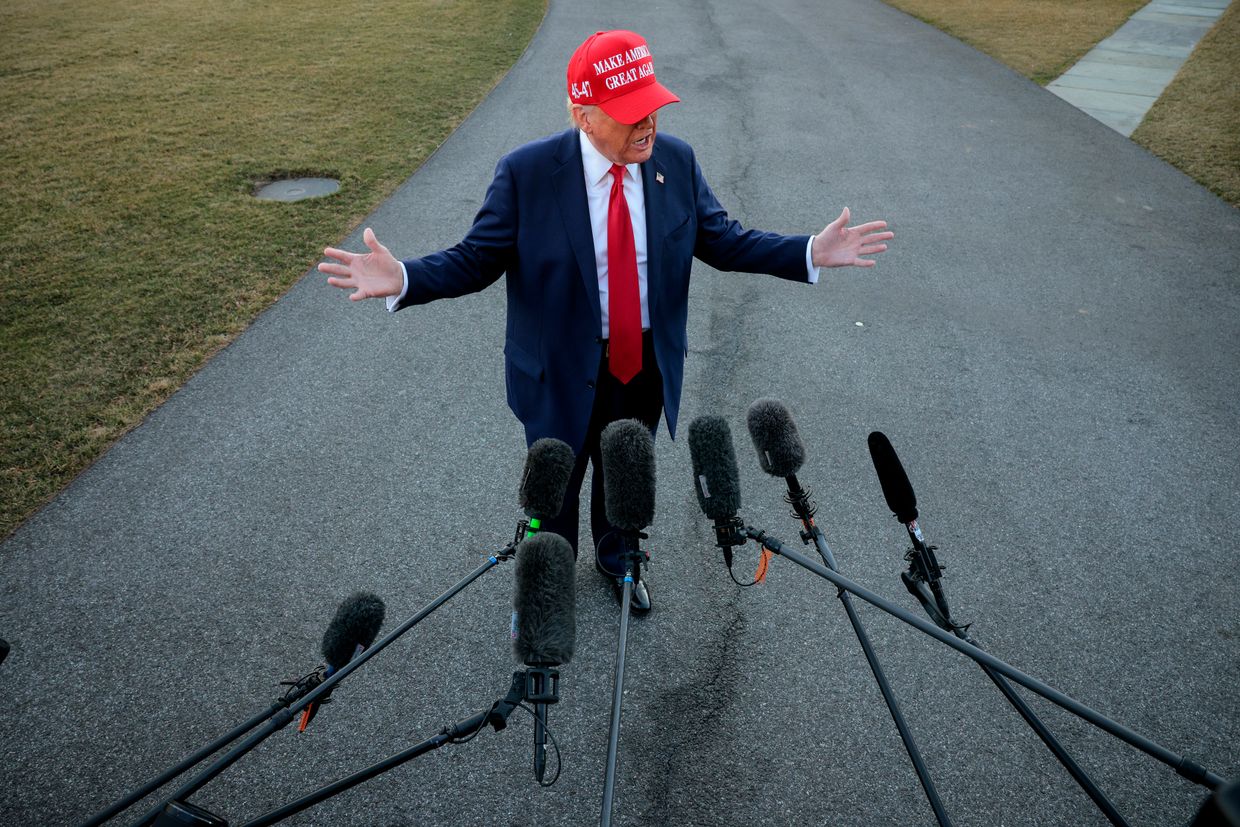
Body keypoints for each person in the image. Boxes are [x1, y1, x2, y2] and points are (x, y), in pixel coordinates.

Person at [321, 30, 893, 613]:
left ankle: (620, 560)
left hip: (640, 364)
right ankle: (548, 580)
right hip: (557, 368)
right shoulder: (527, 173)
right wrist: (407, 277)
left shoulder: (676, 161)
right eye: (629, 115)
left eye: (651, 108)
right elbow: (477, 259)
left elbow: (724, 240)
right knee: (555, 489)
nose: (646, 124)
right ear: (584, 116)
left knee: (626, 475)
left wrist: (807, 252)